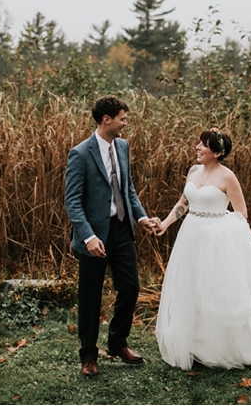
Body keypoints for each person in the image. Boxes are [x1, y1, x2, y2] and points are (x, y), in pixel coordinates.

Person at [154, 128, 251, 370]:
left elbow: (241, 214)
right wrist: (165, 224)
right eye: (198, 143)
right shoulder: (194, 171)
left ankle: (218, 348)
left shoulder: (228, 177)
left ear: (216, 153)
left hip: (215, 240)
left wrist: (219, 230)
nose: (197, 147)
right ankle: (192, 346)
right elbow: (184, 203)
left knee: (213, 290)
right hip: (190, 235)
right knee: (189, 287)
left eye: (203, 145)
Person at [64, 96, 157, 377]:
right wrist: (89, 237)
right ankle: (89, 357)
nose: (125, 124)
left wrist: (140, 218)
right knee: (90, 298)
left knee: (130, 288)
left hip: (121, 230)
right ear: (107, 120)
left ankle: (117, 343)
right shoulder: (80, 154)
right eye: (122, 119)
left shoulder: (123, 147)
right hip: (94, 237)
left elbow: (127, 188)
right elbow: (73, 202)